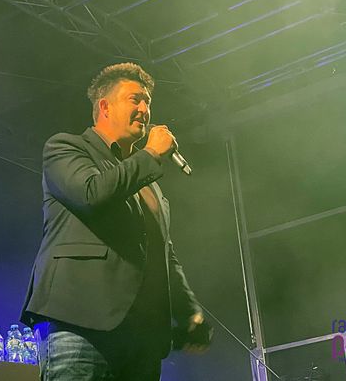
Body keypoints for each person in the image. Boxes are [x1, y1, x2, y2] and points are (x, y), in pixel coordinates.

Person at [20, 62, 212, 380]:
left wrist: (189, 311)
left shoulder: (148, 183)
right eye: (135, 99)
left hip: (142, 341)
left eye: (148, 102)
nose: (144, 110)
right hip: (81, 327)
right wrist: (151, 155)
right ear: (105, 106)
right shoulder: (66, 148)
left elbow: (164, 254)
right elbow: (90, 193)